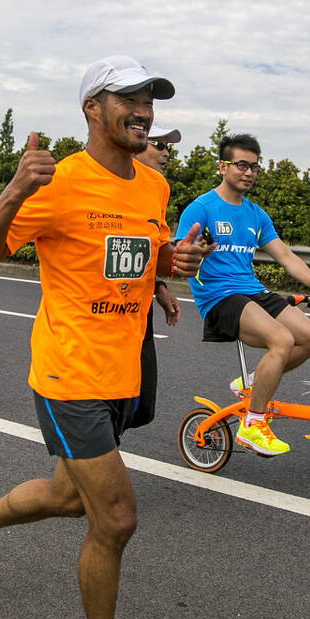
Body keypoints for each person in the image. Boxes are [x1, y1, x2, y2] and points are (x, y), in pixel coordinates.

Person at [0, 56, 207, 619]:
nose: (143, 111)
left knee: (66, 496)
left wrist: (173, 264)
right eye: (129, 99)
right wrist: (13, 191)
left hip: (123, 374)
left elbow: (143, 252)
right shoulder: (58, 183)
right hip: (68, 376)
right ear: (92, 108)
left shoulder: (152, 186)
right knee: (114, 519)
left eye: (149, 100)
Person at [176, 132, 310, 456]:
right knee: (282, 340)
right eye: (241, 165)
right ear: (223, 167)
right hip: (219, 297)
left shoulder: (255, 214)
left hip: (252, 290)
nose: (249, 172)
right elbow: (181, 254)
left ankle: (250, 382)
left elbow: (286, 256)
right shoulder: (202, 208)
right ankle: (252, 422)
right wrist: (192, 251)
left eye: (254, 166)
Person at [129, 124, 182, 429]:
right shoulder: (91, 183)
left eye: (168, 148)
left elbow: (150, 249)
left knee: (138, 410)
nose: (165, 153)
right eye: (158, 145)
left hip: (139, 315)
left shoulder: (157, 188)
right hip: (94, 327)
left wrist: (159, 287)